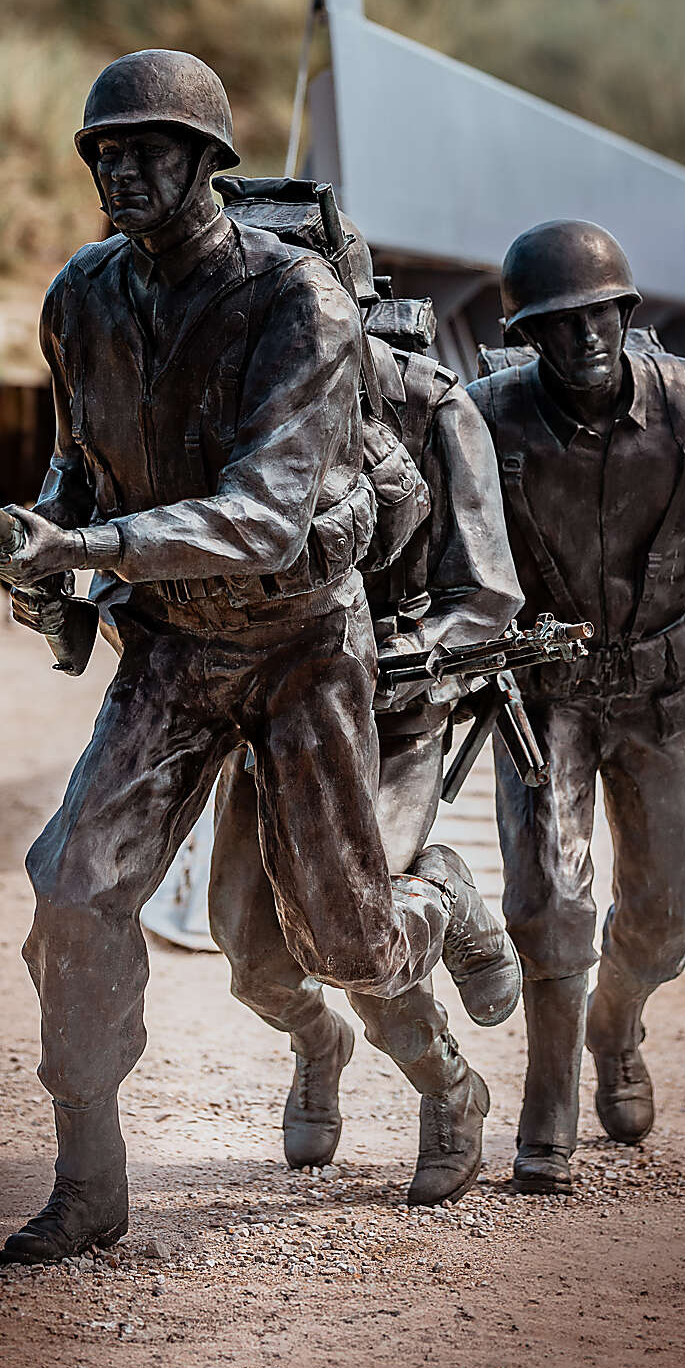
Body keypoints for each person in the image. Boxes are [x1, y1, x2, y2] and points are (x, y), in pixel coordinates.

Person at [0, 49, 519, 1262]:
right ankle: (88, 1180)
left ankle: (445, 1014)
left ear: (206, 164)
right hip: (172, 646)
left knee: (340, 935)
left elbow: (267, 515)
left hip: (298, 647)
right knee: (73, 888)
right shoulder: (80, 297)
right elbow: (80, 464)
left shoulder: (296, 302)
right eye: (104, 151)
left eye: (146, 150)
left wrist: (89, 543)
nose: (119, 169)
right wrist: (41, 546)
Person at [468, 219, 685, 1194]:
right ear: (527, 334)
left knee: (664, 919)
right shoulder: (484, 419)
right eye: (558, 323)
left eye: (599, 316)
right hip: (548, 700)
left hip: (662, 696)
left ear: (627, 313)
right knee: (549, 903)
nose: (584, 338)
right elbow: (430, 550)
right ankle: (548, 1109)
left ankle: (614, 1026)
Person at [211, 252, 523, 1205]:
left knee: (356, 934)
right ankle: (318, 1044)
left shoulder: (430, 406)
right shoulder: (227, 402)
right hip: (276, 716)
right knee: (252, 960)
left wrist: (394, 649)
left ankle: (449, 1086)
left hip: (391, 719)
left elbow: (488, 595)